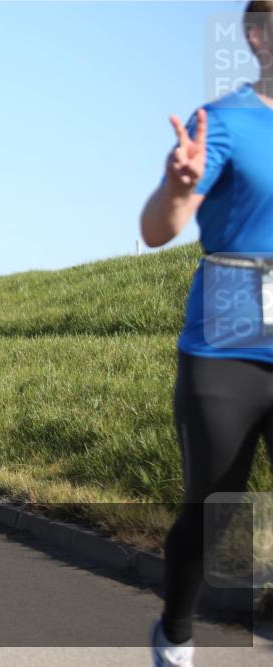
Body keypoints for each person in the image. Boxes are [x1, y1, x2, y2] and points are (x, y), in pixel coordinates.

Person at [139, 5, 273, 664]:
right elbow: (159, 228)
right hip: (229, 344)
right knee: (216, 508)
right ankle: (176, 629)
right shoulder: (221, 122)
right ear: (257, 36)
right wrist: (175, 183)